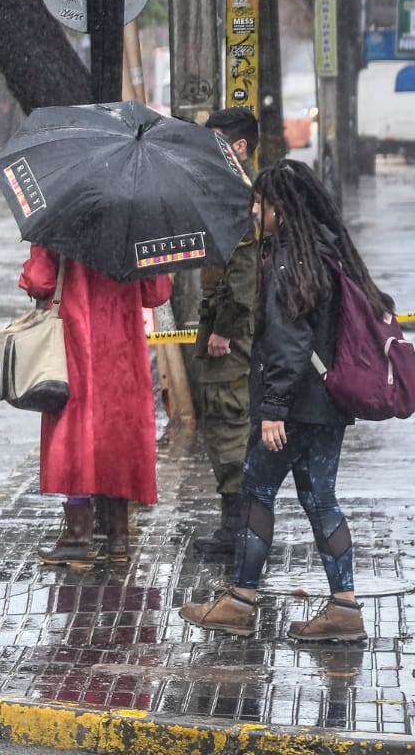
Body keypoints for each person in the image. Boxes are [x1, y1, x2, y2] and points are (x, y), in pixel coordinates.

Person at [179, 159, 390, 641]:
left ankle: (240, 601)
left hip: (294, 406)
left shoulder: (290, 259)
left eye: (261, 203)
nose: (257, 211)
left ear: (279, 207)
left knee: (256, 491)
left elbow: (291, 341)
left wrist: (273, 408)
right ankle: (345, 607)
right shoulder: (327, 251)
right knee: (321, 500)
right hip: (327, 403)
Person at [19, 247, 173, 568]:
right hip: (123, 350)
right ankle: (118, 538)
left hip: (76, 345)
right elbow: (156, 292)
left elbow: (39, 281)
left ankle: (78, 537)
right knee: (117, 433)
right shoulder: (139, 225)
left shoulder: (62, 222)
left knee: (75, 434)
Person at [191, 107, 260, 556]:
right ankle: (237, 525)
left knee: (229, 420)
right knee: (226, 420)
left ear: (238, 146)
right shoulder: (233, 190)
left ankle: (238, 530)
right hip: (228, 325)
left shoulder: (241, 194)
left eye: (217, 142)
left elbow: (245, 274)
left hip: (232, 334)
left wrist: (225, 330)